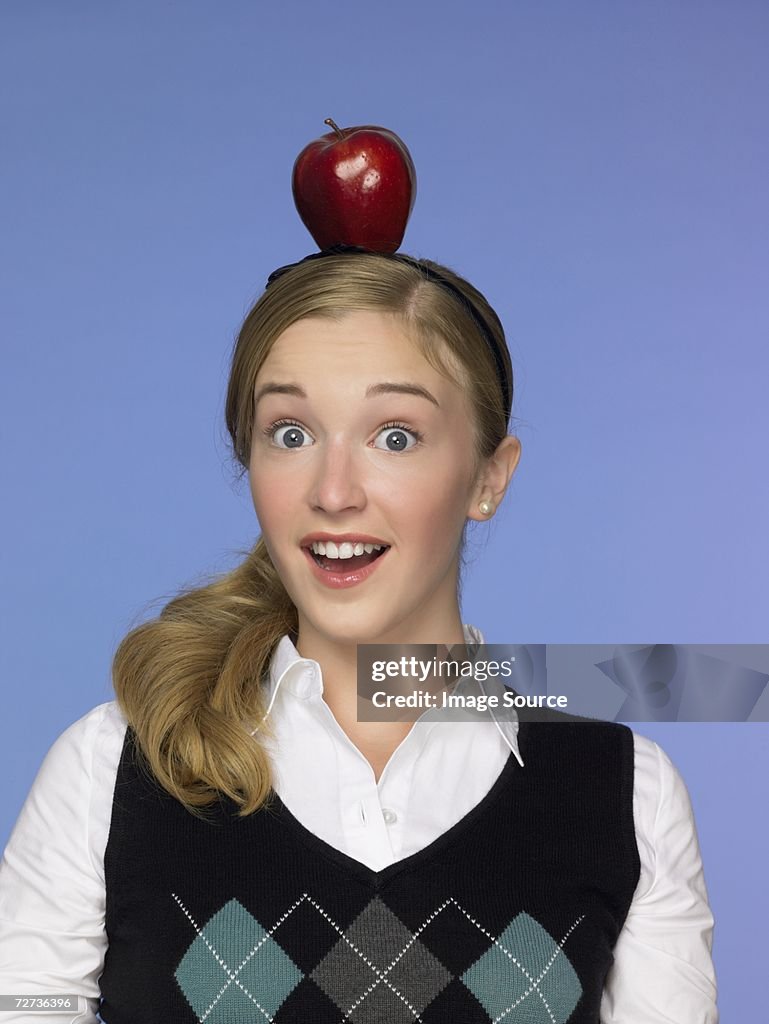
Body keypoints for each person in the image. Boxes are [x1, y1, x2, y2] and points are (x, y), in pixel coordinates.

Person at [0, 247, 718, 1023]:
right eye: (291, 433)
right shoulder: (107, 771)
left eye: (395, 436)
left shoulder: (623, 795)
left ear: (488, 477)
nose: (332, 493)